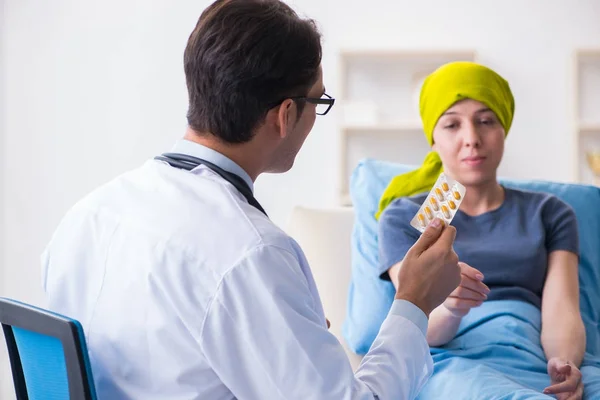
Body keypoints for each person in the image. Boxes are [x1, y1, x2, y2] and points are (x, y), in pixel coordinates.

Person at [40, 1, 462, 398]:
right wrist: (414, 300)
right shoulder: (251, 254)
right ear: (285, 115)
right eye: (319, 101)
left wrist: (290, 326)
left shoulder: (88, 214)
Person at [367, 61, 591, 399]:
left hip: (536, 353)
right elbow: (416, 322)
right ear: (432, 138)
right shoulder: (405, 216)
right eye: (452, 125)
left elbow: (562, 308)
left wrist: (564, 362)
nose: (471, 139)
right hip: (447, 358)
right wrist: (452, 306)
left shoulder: (550, 212)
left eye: (486, 121)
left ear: (504, 130)